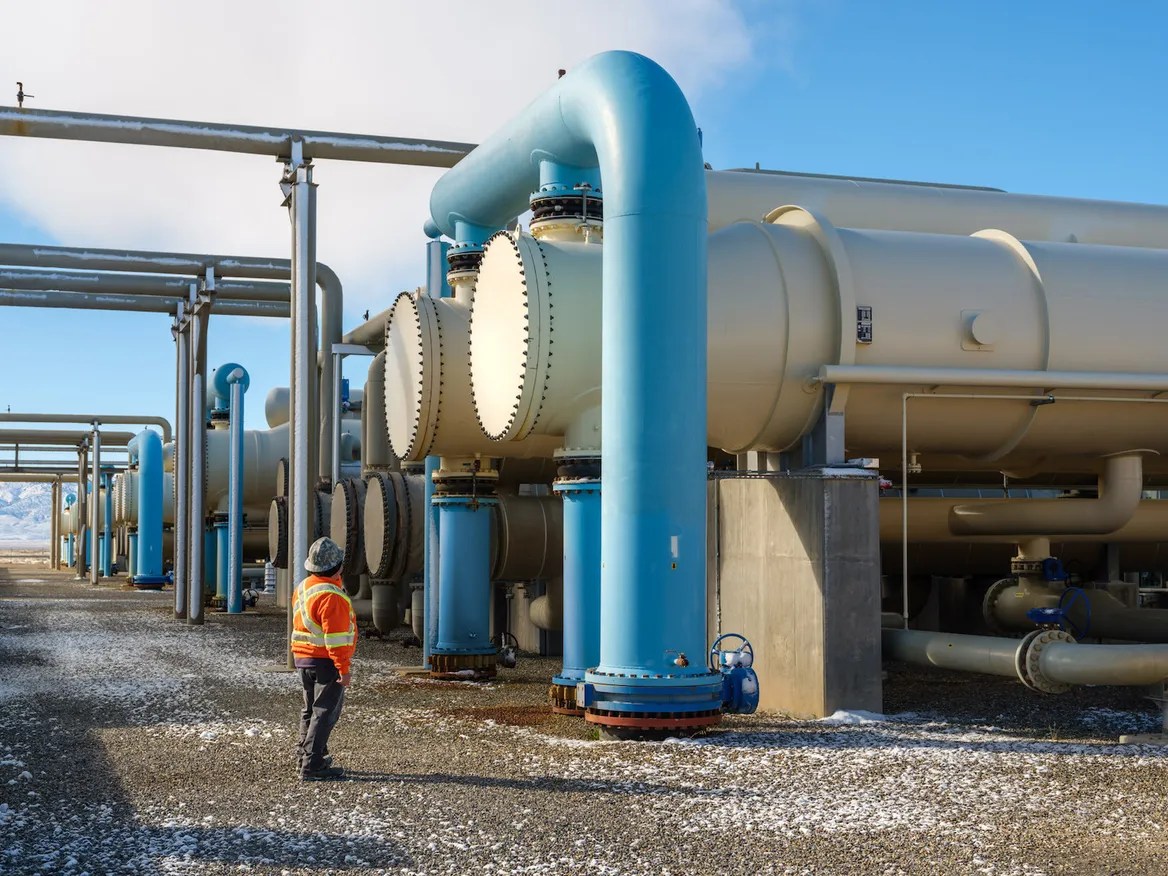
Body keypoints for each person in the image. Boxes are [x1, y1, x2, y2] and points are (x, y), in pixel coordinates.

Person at [291, 536, 356, 781]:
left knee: (310, 710)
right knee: (324, 712)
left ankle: (304, 756)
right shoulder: (333, 596)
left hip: (304, 659)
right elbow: (337, 641)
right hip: (326, 661)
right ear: (338, 566)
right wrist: (344, 669)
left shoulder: (304, 587)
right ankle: (313, 764)